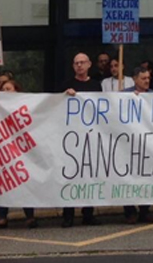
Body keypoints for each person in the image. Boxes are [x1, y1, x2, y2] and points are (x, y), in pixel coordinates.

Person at [0, 79, 37, 230]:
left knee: (24, 181)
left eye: (9, 89)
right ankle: (2, 218)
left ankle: (30, 216)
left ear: (16, 91)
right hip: (4, 149)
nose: (6, 92)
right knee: (4, 181)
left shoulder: (25, 104)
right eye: (3, 89)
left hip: (22, 149)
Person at [63, 52, 102, 227]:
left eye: (82, 62)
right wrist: (66, 95)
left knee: (89, 174)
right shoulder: (67, 85)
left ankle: (88, 213)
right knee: (70, 175)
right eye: (76, 62)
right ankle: (68, 214)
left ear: (89, 65)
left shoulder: (96, 85)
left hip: (91, 136)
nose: (79, 65)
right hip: (71, 137)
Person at [121, 69, 153, 223]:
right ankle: (129, 211)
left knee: (147, 176)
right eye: (143, 78)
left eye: (148, 78)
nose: (146, 81)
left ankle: (144, 209)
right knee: (128, 176)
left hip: (148, 143)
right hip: (128, 142)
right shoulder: (124, 95)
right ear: (135, 79)